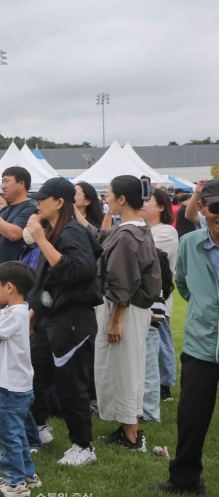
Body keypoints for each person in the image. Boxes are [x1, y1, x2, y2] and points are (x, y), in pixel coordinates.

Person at [22, 177, 101, 467]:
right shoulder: (56, 230)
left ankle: (83, 445)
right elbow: (48, 282)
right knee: (36, 376)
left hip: (72, 322)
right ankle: (38, 429)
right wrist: (34, 313)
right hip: (49, 319)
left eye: (42, 198)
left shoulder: (71, 232)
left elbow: (80, 271)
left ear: (59, 202)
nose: (37, 202)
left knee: (72, 385)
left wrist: (41, 240)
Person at [149, 179, 219, 495]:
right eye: (216, 221)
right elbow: (184, 284)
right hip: (201, 345)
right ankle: (185, 479)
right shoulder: (191, 243)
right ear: (203, 211)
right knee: (191, 415)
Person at [95, 175, 161, 452]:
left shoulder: (127, 236)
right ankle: (128, 429)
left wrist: (115, 321)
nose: (106, 199)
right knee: (128, 368)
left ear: (122, 199)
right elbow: (100, 236)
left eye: (109, 194)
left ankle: (132, 437)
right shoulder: (136, 228)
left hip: (124, 310)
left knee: (121, 370)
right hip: (133, 310)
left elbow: (123, 281)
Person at [0, 261, 39, 497]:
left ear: (9, 287)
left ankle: (15, 483)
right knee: (17, 433)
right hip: (17, 383)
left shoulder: (12, 314)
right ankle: (27, 474)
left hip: (12, 386)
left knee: (7, 435)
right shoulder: (18, 311)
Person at [143, 187, 179, 408]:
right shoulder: (144, 229)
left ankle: (165, 386)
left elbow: (150, 259)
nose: (143, 204)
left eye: (148, 200)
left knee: (161, 342)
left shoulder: (166, 231)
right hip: (145, 298)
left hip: (159, 299)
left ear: (161, 207)